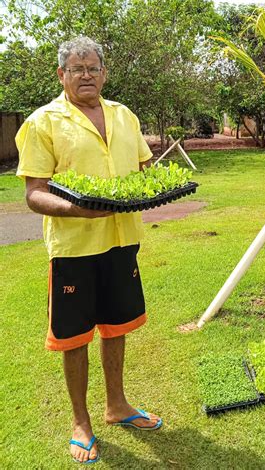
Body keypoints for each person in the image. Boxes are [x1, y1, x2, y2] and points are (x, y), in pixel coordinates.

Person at [16, 37, 162, 465]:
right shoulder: (43, 122)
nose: (86, 75)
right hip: (74, 248)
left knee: (117, 326)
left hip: (121, 242)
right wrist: (79, 210)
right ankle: (81, 422)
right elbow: (34, 194)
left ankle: (117, 405)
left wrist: (151, 190)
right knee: (74, 336)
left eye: (93, 68)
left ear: (104, 73)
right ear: (61, 75)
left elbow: (142, 172)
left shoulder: (124, 115)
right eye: (77, 68)